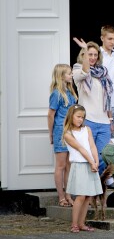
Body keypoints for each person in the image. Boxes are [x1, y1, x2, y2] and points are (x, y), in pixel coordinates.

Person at [72, 40, 113, 175]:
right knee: (87, 157)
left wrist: (110, 119)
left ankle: (98, 189)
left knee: (102, 158)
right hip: (88, 121)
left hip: (104, 123)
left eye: (95, 55)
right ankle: (87, 191)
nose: (93, 58)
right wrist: (84, 51)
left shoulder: (103, 72)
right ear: (84, 55)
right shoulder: (78, 69)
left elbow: (107, 97)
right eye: (89, 54)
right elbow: (85, 72)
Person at [63, 104, 103, 233]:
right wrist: (92, 162)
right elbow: (81, 149)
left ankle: (81, 223)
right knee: (80, 196)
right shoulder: (68, 134)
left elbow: (92, 146)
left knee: (88, 196)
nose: (80, 119)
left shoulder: (87, 129)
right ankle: (74, 224)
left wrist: (96, 161)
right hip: (80, 165)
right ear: (71, 116)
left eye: (83, 117)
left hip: (90, 164)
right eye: (78, 116)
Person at [48, 64, 77, 207]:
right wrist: (51, 133)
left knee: (69, 165)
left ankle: (68, 194)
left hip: (70, 130)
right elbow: (50, 115)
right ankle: (61, 197)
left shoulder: (70, 92)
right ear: (61, 76)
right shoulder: (56, 94)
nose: (71, 75)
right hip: (60, 130)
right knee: (60, 165)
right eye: (69, 73)